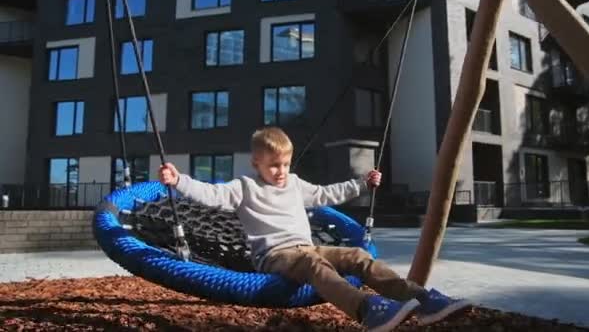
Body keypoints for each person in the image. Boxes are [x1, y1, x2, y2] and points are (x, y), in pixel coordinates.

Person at [159, 127, 470, 332]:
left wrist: (361, 184)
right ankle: (365, 309)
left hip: (308, 248)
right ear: (256, 163)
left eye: (285, 164)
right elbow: (213, 195)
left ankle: (421, 299)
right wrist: (179, 181)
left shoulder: (294, 184)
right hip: (275, 256)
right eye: (273, 165)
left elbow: (326, 194)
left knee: (357, 255)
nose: (281, 172)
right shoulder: (244, 187)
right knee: (312, 264)